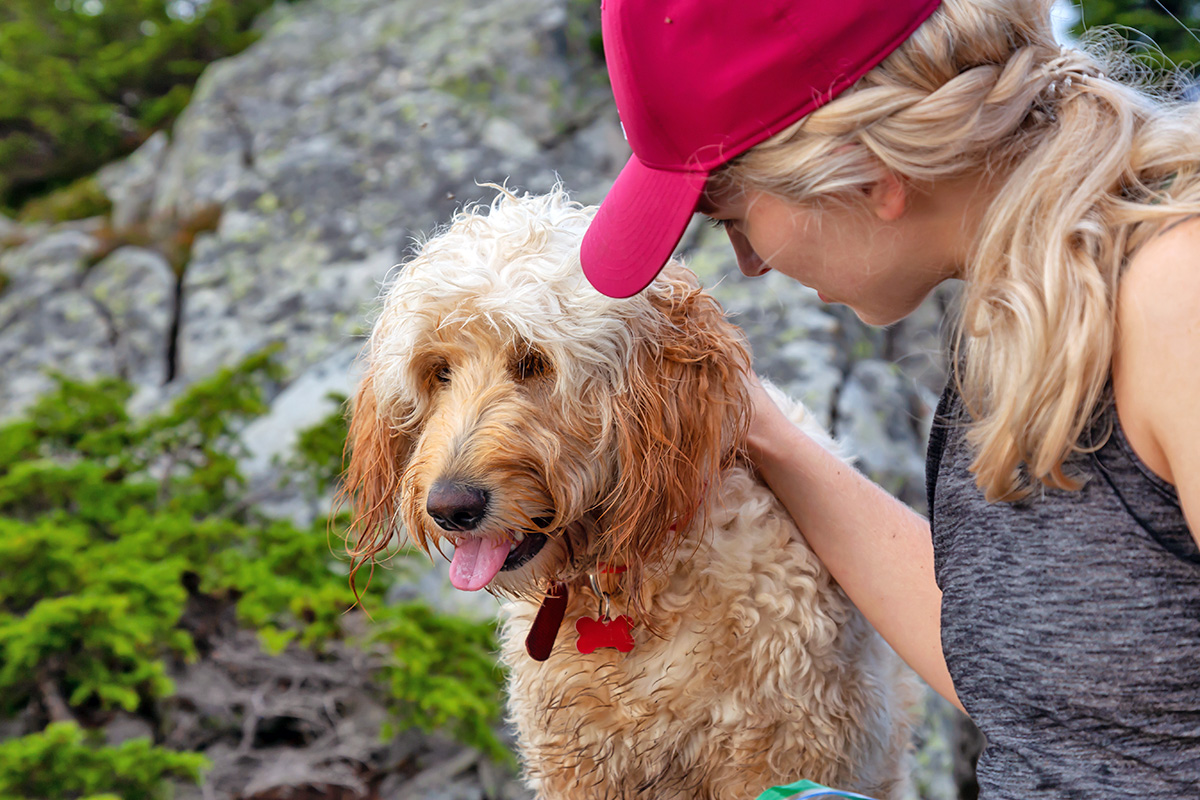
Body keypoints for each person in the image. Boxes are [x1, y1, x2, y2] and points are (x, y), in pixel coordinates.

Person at [578, 0, 1200, 795]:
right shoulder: (1035, 300)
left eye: (732, 217)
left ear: (869, 170)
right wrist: (764, 434)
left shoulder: (1176, 294)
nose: (750, 264)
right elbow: (1052, 689)